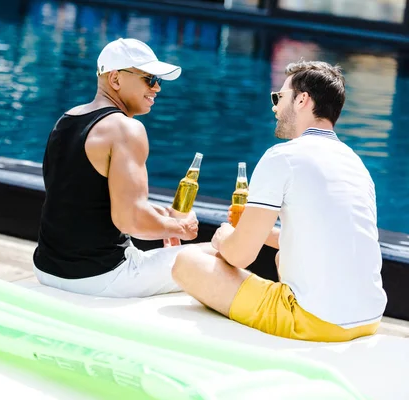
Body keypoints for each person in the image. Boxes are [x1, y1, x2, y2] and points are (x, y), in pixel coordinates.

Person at [171, 61, 387, 342]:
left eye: (279, 97)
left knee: (186, 262)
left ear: (301, 100)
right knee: (280, 255)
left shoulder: (283, 156)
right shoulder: (355, 164)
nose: (274, 107)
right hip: (369, 318)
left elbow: (239, 256)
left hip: (316, 322)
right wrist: (260, 234)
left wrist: (223, 238)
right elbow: (328, 235)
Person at [33, 38, 199, 298]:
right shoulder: (126, 129)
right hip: (101, 276)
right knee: (218, 257)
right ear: (115, 79)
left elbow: (82, 198)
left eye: (159, 81)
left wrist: (160, 216)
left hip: (46, 267)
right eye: (149, 79)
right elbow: (130, 220)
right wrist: (180, 228)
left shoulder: (66, 119)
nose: (157, 88)